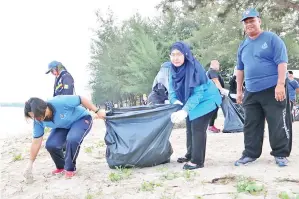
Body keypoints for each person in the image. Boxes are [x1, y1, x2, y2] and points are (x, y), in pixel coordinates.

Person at [235, 8, 292, 167]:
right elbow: (240, 69)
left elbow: (282, 62)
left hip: (273, 88)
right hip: (251, 90)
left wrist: (280, 84)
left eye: (252, 20)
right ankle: (250, 154)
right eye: (246, 22)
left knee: (277, 122)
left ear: (259, 21)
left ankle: (280, 154)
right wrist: (239, 91)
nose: (249, 24)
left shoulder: (272, 38)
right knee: (251, 124)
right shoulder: (243, 45)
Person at [23, 95, 106, 179]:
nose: (36, 119)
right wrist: (30, 163)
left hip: (81, 119)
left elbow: (81, 99)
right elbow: (36, 142)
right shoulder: (38, 121)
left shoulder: (60, 102)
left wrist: (97, 111)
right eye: (32, 117)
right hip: (64, 126)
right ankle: (61, 166)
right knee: (51, 144)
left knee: (72, 138)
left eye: (36, 116)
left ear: (43, 108)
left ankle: (70, 168)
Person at [168, 41, 222, 170]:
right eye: (173, 54)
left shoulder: (195, 68)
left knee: (197, 126)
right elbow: (171, 89)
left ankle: (197, 161)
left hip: (207, 100)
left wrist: (185, 110)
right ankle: (190, 154)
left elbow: (198, 93)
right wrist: (174, 101)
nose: (176, 58)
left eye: (179, 54)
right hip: (192, 101)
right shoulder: (172, 69)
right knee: (189, 126)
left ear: (185, 54)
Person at [206, 60, 226, 133]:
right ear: (213, 64)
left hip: (212, 94)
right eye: (218, 64)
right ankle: (210, 126)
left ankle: (211, 125)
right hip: (212, 94)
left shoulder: (210, 72)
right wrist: (221, 90)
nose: (219, 66)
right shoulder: (212, 71)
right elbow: (215, 81)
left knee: (214, 109)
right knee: (214, 110)